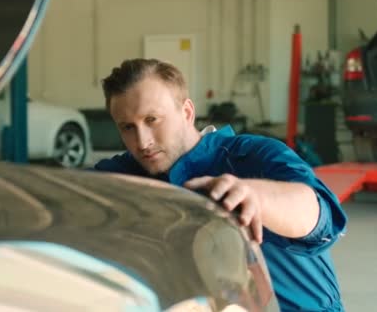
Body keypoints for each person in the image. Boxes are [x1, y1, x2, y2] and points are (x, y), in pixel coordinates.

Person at [94, 58, 347, 311]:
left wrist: (257, 197)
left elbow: (320, 215)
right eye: (128, 127)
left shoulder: (253, 156)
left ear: (187, 112)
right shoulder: (127, 172)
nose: (142, 141)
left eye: (152, 120)